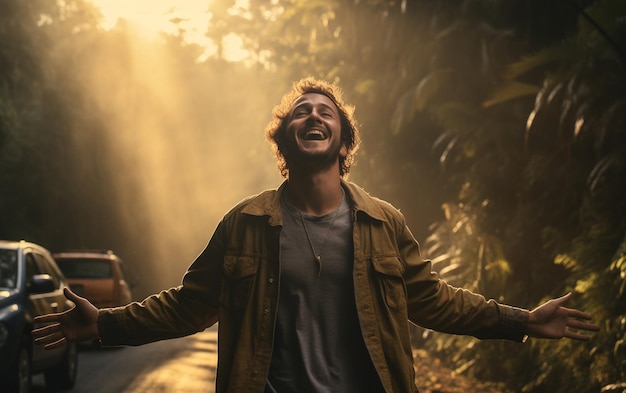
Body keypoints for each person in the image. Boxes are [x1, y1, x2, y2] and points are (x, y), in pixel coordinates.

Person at [33, 77, 600, 392]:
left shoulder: (384, 223)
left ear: (343, 141)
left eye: (324, 111)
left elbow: (433, 301)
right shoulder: (244, 224)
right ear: (283, 142)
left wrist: (522, 320)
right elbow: (187, 307)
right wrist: (103, 324)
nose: (312, 115)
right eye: (300, 111)